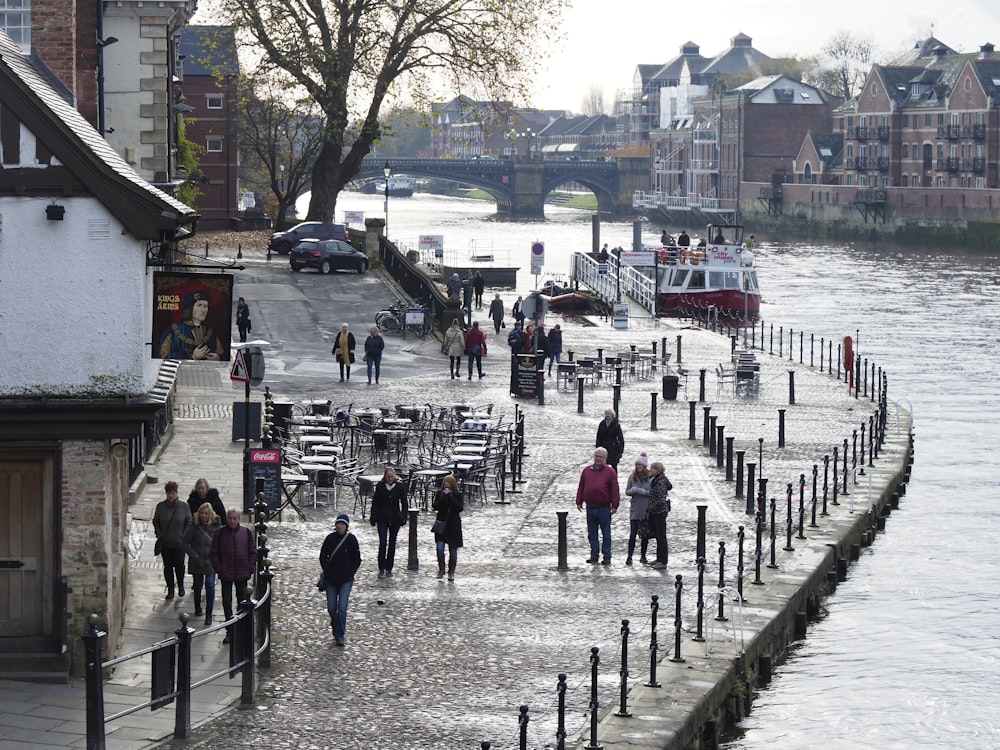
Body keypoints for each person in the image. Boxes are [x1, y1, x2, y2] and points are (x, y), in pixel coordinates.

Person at [210, 508, 257, 644]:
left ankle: (241, 630)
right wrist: (219, 569)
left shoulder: (245, 533)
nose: (232, 521)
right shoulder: (220, 533)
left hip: (242, 573)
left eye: (234, 518)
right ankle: (230, 631)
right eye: (230, 518)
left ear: (238, 519)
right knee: (227, 603)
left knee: (242, 602)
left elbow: (253, 552)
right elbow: (214, 553)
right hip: (226, 574)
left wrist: (250, 568)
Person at [319, 513, 362, 646]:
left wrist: (350, 573)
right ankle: (335, 622)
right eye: (338, 523)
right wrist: (328, 572)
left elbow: (357, 559)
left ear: (346, 526)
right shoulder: (330, 539)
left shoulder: (351, 540)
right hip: (331, 579)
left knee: (342, 607)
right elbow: (322, 557)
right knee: (332, 608)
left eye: (342, 524)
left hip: (346, 579)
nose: (340, 526)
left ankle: (340, 634)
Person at [575, 447, 620, 565]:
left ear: (605, 458)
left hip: (604, 508)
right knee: (592, 533)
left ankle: (607, 556)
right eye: (597, 456)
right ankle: (594, 555)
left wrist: (615, 505)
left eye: (601, 457)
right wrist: (579, 501)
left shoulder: (610, 472)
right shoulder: (586, 471)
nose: (598, 459)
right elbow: (581, 486)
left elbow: (615, 489)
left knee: (606, 534)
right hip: (590, 507)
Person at [182, 502, 221, 625]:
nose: (204, 516)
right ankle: (198, 607)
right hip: (197, 561)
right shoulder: (193, 526)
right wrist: (194, 554)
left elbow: (220, 542)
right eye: (202, 513)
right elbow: (184, 542)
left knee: (210, 585)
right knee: (198, 586)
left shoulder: (216, 526)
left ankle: (209, 614)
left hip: (210, 561)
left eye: (206, 513)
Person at [158, 289, 224, 360]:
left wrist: (218, 358)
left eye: (205, 306)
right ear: (190, 308)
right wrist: (192, 356)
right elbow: (163, 358)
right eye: (199, 305)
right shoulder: (173, 331)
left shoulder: (210, 332)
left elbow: (223, 355)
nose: (203, 310)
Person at [153, 481, 192, 600]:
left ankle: (180, 586)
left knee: (180, 566)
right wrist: (159, 534)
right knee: (168, 567)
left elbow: (189, 521)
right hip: (166, 543)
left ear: (176, 493)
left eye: (173, 493)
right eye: (169, 493)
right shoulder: (161, 506)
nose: (171, 495)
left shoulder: (184, 506)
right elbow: (156, 521)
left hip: (179, 543)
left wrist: (183, 535)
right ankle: (170, 588)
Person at [369, 467, 408, 578]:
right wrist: (373, 516)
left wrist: (404, 516)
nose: (390, 479)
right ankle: (381, 568)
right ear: (385, 477)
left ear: (394, 476)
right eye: (388, 477)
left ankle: (389, 568)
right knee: (382, 543)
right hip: (382, 518)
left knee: (392, 544)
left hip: (395, 519)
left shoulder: (400, 486)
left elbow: (404, 503)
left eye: (392, 477)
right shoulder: (380, 487)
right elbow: (375, 503)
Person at [432, 474, 464, 581]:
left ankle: (451, 572)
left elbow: (459, 508)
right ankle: (441, 569)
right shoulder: (440, 493)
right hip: (442, 525)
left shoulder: (458, 495)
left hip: (453, 526)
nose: (447, 487)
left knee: (453, 551)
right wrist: (443, 498)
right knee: (440, 548)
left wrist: (450, 497)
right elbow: (435, 506)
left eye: (449, 485)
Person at [624, 453, 652, 566]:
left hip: (645, 510)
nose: (638, 467)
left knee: (644, 535)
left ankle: (643, 555)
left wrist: (640, 491)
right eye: (637, 464)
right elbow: (627, 491)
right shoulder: (632, 477)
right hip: (635, 509)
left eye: (640, 465)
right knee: (632, 534)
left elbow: (651, 493)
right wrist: (633, 490)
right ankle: (629, 556)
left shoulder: (649, 478)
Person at [647, 461, 673, 570]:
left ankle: (663, 561)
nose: (650, 470)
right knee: (658, 536)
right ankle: (659, 559)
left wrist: (651, 507)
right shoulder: (655, 479)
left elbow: (661, 499)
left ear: (658, 470)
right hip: (655, 512)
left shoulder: (660, 482)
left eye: (653, 469)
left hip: (659, 512)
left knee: (661, 536)